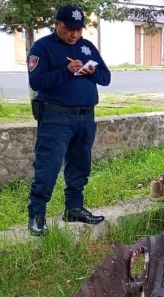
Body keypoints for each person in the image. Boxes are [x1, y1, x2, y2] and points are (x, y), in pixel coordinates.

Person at [26, 4, 110, 236]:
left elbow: (106, 77)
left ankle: (73, 208)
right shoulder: (42, 47)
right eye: (69, 29)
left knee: (80, 164)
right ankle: (37, 215)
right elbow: (37, 82)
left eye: (78, 30)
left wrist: (92, 72)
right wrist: (66, 70)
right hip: (56, 116)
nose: (74, 35)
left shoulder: (87, 47)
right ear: (57, 24)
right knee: (48, 166)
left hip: (85, 115)